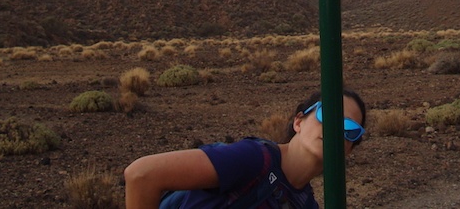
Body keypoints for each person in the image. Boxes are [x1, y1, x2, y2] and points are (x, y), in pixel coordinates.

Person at [124, 88, 367, 209]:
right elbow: (142, 175)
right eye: (329, 115)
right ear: (298, 121)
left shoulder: (304, 203)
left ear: (349, 150)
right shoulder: (253, 159)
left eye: (349, 129)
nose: (336, 130)